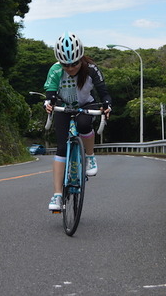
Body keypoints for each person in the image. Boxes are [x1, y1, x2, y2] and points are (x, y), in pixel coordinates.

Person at [43, 32, 112, 212]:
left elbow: (103, 92)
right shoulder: (55, 70)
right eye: (66, 64)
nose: (71, 68)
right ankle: (57, 195)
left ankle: (90, 157)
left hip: (86, 104)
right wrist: (49, 104)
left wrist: (107, 105)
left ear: (81, 58)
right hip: (63, 106)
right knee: (60, 147)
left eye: (74, 63)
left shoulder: (91, 68)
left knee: (83, 125)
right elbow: (50, 92)